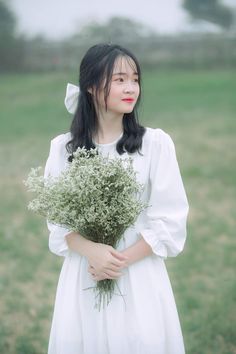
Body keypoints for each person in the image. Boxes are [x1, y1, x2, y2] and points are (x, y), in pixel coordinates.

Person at [44, 43, 189, 354]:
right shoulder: (62, 149)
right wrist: (92, 251)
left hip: (139, 274)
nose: (131, 88)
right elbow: (58, 222)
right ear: (92, 87)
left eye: (135, 79)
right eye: (120, 79)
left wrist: (114, 262)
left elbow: (170, 219)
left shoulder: (156, 144)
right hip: (84, 273)